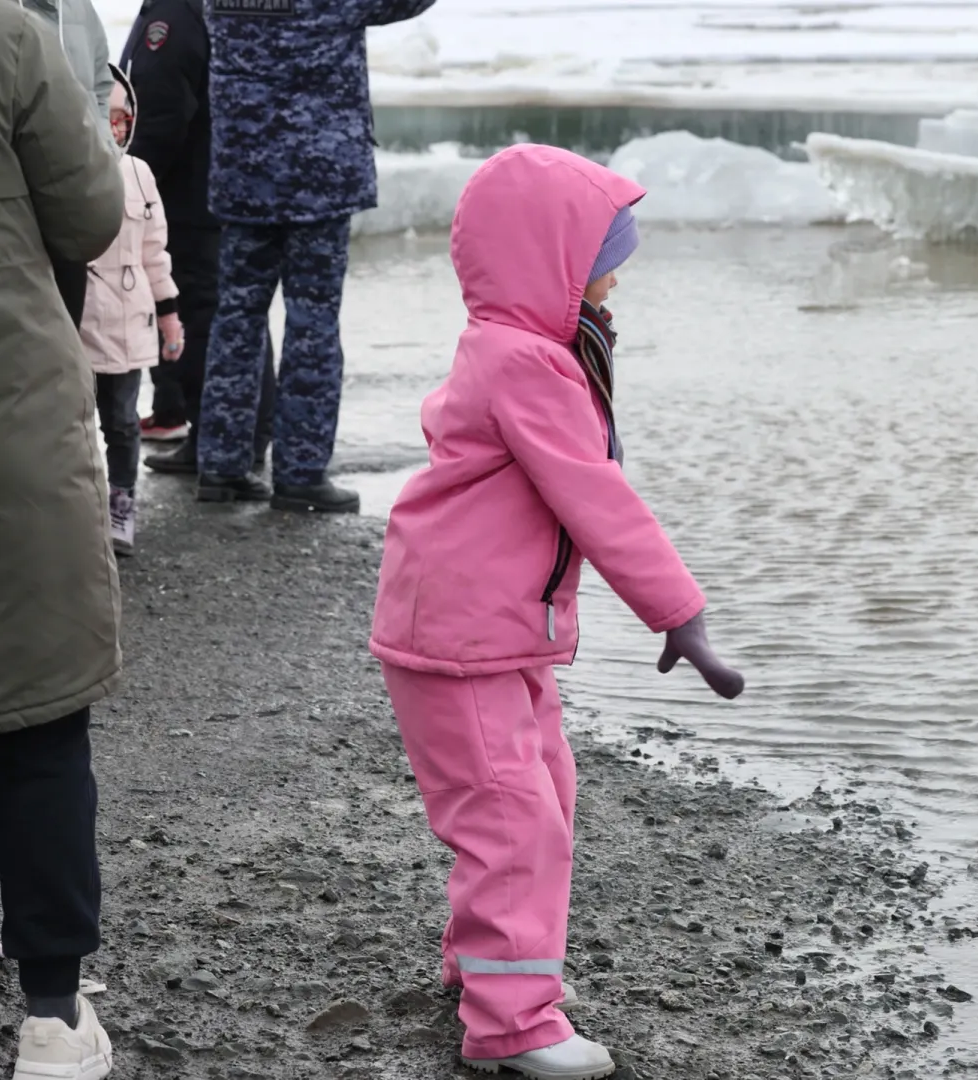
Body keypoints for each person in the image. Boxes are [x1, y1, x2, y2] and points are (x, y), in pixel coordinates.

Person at [369, 144, 746, 1080]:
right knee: (512, 820)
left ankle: (490, 968)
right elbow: (595, 496)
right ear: (555, 260)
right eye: (605, 255)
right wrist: (679, 614)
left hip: (490, 631)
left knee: (540, 797)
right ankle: (510, 1024)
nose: (620, 273)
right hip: (461, 634)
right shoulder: (527, 363)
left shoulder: (530, 346)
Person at [0, 5, 130, 1079]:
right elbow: (88, 213)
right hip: (9, 419)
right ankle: (49, 1014)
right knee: (34, 725)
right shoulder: (10, 32)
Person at [196, 0, 437, 513]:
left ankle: (221, 463)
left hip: (243, 172)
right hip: (317, 178)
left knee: (237, 316)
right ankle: (300, 471)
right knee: (313, 322)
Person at [118, 0, 277, 471]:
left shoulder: (174, 12)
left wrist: (131, 181)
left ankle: (222, 439)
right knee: (227, 312)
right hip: (213, 189)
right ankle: (236, 437)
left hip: (188, 196)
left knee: (204, 315)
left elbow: (162, 115)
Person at [81, 69, 183, 557]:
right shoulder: (63, 174)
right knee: (72, 423)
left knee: (121, 421)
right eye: (107, 117)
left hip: (127, 322)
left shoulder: (140, 173)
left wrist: (170, 318)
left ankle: (121, 505)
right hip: (75, 323)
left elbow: (155, 252)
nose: (115, 128)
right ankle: (78, 509)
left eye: (123, 118)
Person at [17, 0, 114, 329]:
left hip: (72, 201)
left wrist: (104, 151)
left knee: (69, 331)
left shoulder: (78, 9)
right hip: (20, 209)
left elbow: (102, 83)